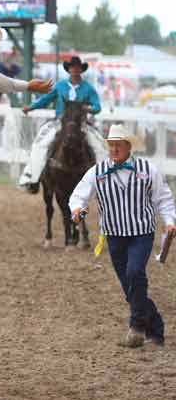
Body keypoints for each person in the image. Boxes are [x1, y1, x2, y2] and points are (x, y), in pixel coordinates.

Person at [69, 124, 176, 348]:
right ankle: (156, 330)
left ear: (129, 147)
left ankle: (136, 327)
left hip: (142, 233)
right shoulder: (97, 172)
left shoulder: (148, 169)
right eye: (111, 145)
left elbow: (163, 198)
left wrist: (169, 221)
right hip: (114, 235)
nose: (114, 149)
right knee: (130, 288)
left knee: (135, 272)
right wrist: (77, 209)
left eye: (118, 145)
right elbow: (79, 195)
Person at [19, 56, 105, 193]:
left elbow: (97, 106)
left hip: (81, 124)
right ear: (69, 69)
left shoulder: (88, 89)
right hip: (60, 122)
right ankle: (32, 177)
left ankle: (103, 182)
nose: (75, 70)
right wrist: (31, 107)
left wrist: (89, 109)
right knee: (40, 143)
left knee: (100, 146)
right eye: (72, 67)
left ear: (81, 70)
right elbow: (45, 99)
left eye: (77, 67)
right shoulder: (59, 86)